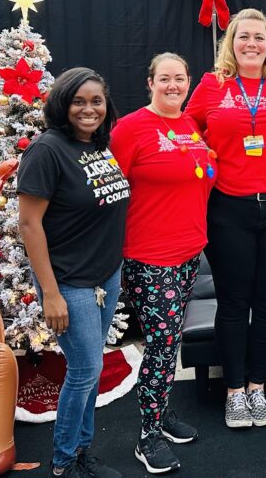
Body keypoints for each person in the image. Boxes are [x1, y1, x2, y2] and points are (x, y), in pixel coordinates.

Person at [185, 8, 266, 428]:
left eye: (259, 37)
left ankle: (258, 387)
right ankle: (234, 391)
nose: (252, 44)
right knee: (235, 303)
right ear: (231, 44)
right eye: (243, 37)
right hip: (230, 210)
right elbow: (185, 131)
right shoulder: (211, 85)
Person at [18, 67, 130, 478]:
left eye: (96, 101)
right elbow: (29, 225)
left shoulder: (99, 146)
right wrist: (50, 293)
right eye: (79, 101)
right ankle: (65, 461)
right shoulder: (47, 150)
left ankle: (83, 450)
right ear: (62, 105)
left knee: (91, 368)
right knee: (84, 371)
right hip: (69, 282)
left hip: (105, 277)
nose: (89, 109)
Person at [110, 53, 214, 474]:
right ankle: (147, 436)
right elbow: (110, 192)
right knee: (161, 344)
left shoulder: (190, 125)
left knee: (169, 341)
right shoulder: (131, 128)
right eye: (164, 79)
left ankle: (163, 414)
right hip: (150, 257)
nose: (173, 85)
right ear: (149, 82)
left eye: (180, 78)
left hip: (190, 251)